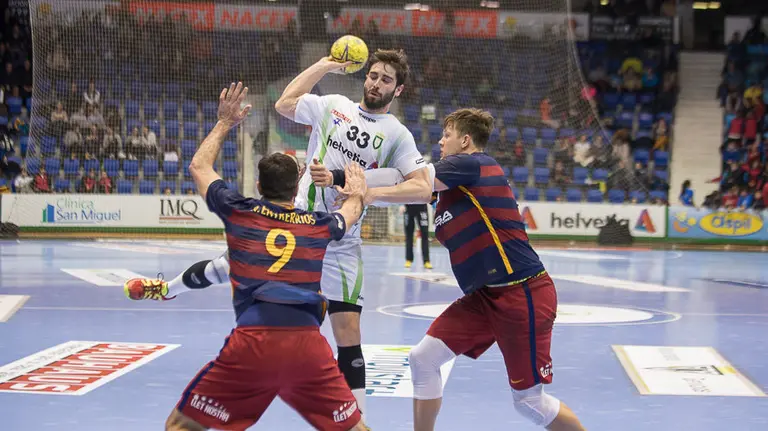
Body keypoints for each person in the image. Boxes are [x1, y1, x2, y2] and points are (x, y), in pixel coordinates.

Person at [124, 49, 433, 418]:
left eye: (386, 80)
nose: (376, 83)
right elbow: (286, 103)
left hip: (341, 238)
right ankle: (166, 289)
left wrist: (365, 191)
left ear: (397, 91)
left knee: (349, 335)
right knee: (224, 266)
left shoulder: (396, 134)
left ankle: (358, 419)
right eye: (373, 75)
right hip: (296, 221)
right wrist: (326, 65)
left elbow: (423, 188)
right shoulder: (334, 104)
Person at [331, 108, 587, 430]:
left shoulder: (474, 164)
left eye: (447, 135)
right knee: (423, 359)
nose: (440, 141)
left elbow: (419, 185)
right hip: (485, 298)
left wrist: (365, 194)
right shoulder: (452, 183)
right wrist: (337, 177)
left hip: (523, 293)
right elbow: (402, 180)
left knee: (528, 402)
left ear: (465, 140)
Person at [157, 82, 370, 431]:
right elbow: (348, 213)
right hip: (307, 346)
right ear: (298, 182)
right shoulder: (317, 226)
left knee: (181, 425)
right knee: (355, 428)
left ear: (258, 186)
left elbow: (199, 166)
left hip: (252, 342)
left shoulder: (240, 211)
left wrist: (225, 122)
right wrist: (356, 189)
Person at [403, 204, 431, 269]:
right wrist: (401, 204)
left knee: (425, 233)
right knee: (408, 234)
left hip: (422, 206)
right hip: (408, 206)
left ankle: (426, 260)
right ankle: (408, 259)